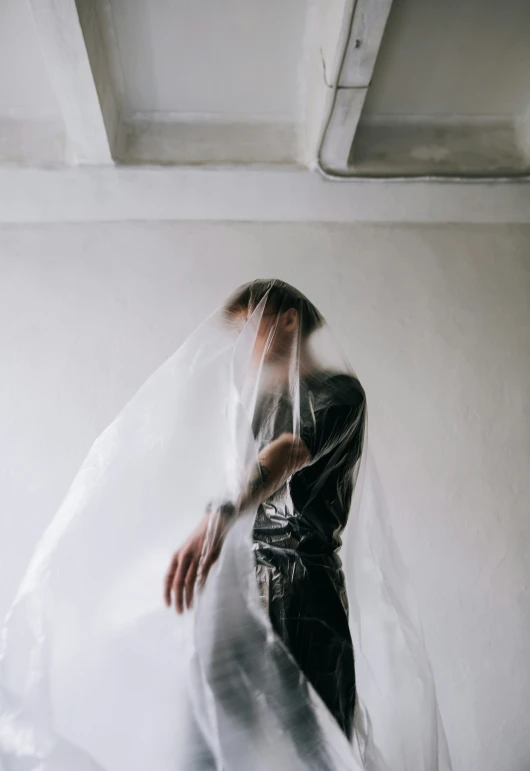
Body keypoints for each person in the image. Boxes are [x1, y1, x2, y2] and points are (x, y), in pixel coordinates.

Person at [164, 279, 366, 745]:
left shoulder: (339, 395)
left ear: (288, 321)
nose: (246, 346)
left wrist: (221, 517)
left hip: (302, 595)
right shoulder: (261, 404)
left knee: (314, 738)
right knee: (214, 736)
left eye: (252, 329)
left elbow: (288, 451)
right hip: (242, 589)